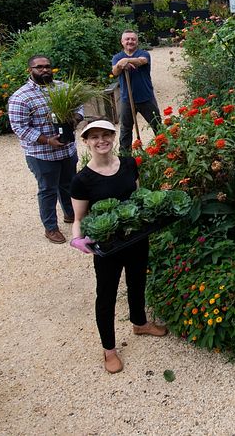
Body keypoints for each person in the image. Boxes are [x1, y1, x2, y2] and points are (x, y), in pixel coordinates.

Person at [68, 119, 167, 373]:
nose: (101, 141)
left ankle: (139, 323)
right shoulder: (82, 180)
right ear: (86, 142)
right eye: (95, 137)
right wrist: (78, 240)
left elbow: (137, 197)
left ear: (113, 137)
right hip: (108, 246)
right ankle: (109, 350)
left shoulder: (129, 164)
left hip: (135, 238)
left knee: (137, 281)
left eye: (106, 135)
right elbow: (79, 219)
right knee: (107, 295)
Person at [7, 55, 83, 245]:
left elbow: (80, 107)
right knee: (48, 190)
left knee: (68, 184)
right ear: (29, 70)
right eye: (39, 67)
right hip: (42, 155)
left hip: (67, 150)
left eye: (48, 66)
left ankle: (70, 213)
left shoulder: (63, 87)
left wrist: (75, 118)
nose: (45, 70)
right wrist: (47, 141)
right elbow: (19, 127)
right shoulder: (21, 97)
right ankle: (51, 228)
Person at [111, 30, 160, 155]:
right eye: (127, 39)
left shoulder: (143, 53)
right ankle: (125, 156)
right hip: (127, 99)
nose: (130, 41)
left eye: (133, 39)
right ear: (122, 42)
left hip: (146, 98)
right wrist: (120, 64)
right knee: (125, 129)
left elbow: (141, 61)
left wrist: (126, 61)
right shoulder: (117, 57)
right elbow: (115, 72)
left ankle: (165, 152)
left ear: (137, 42)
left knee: (157, 126)